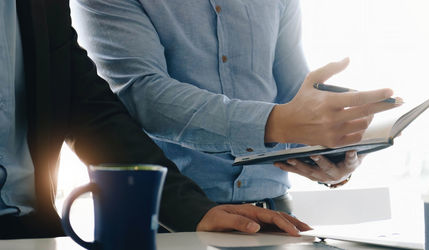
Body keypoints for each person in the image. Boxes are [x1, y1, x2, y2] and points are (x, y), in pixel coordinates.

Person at [0, 0, 311, 239]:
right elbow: (144, 94)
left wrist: (332, 147)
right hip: (151, 224)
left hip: (30, 228)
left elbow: (88, 109)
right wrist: (273, 123)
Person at [71, 0, 400, 213]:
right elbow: (144, 94)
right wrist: (275, 123)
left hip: (276, 216)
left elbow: (294, 97)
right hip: (166, 218)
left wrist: (334, 162)